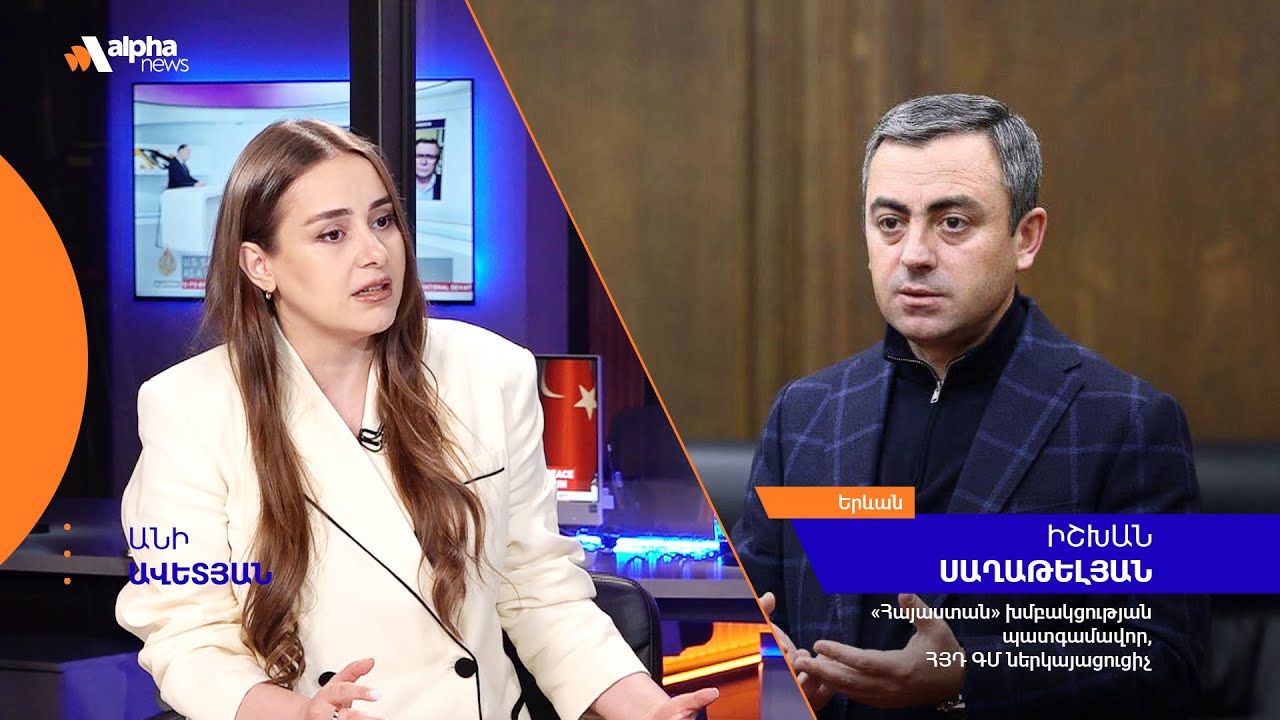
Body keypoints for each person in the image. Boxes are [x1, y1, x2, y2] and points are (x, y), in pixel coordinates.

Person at [116, 119, 717, 720]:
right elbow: (186, 635)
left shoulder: (491, 372)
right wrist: (296, 713)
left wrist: (646, 707)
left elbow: (537, 588)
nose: (375, 253)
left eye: (382, 221)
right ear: (259, 265)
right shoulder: (189, 408)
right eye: (332, 234)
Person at [731, 94, 1208, 719]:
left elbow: (1165, 663)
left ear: (1025, 238)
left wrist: (963, 679)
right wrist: (767, 665)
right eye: (890, 222)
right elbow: (752, 611)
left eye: (952, 222)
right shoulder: (806, 413)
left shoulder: (1124, 421)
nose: (914, 253)